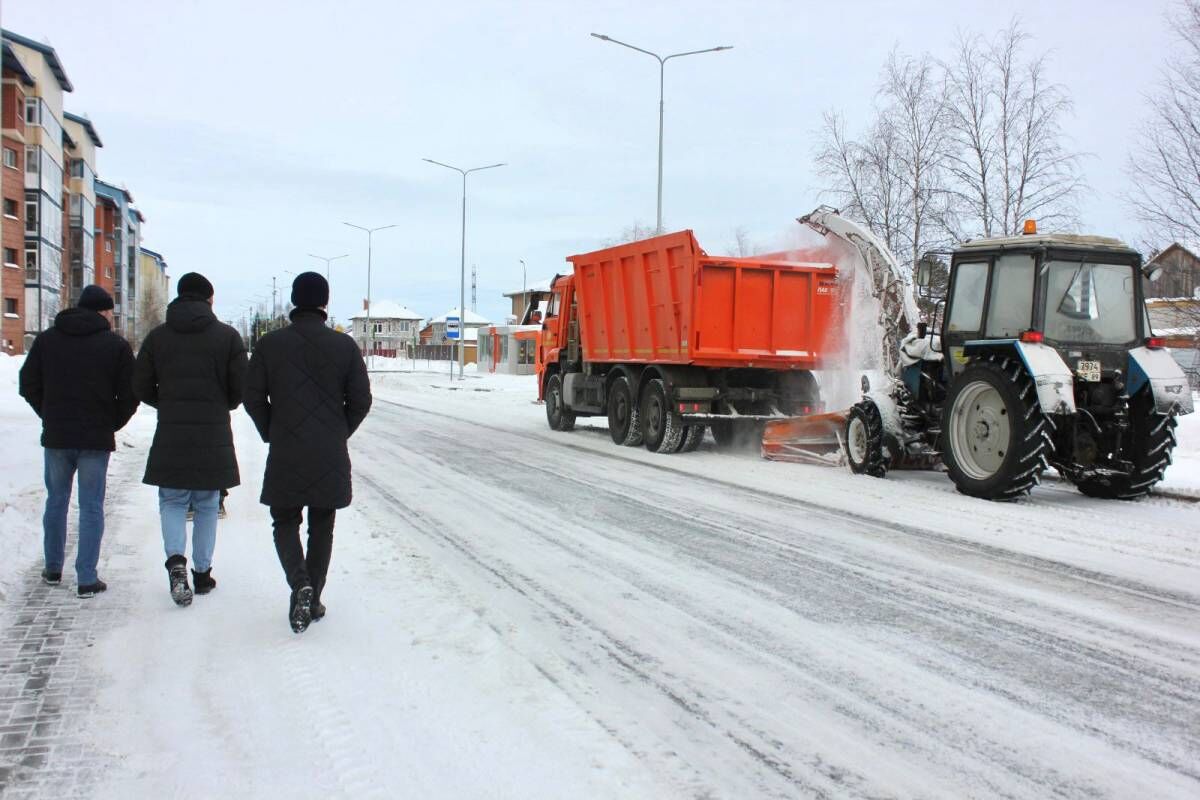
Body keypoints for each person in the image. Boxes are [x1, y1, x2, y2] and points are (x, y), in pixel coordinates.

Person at [244, 272, 372, 633]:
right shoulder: (344, 346)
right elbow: (361, 400)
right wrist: (337, 432)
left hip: (285, 449)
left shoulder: (270, 345)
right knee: (322, 525)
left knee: (284, 520)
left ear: (294, 301)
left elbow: (252, 395)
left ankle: (299, 583)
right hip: (328, 452)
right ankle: (312, 597)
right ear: (324, 304)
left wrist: (272, 430)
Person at [134, 272, 247, 606]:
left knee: (172, 500)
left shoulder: (157, 338)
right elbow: (240, 388)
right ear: (209, 300)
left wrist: (167, 402)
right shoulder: (227, 337)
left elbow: (140, 385)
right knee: (207, 503)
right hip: (212, 431)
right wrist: (219, 403)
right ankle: (201, 573)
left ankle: (175, 563)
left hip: (171, 431)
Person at [18, 285, 138, 597]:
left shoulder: (47, 340)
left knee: (56, 501)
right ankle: (86, 578)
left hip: (57, 437)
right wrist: (111, 422)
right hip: (95, 440)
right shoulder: (116, 346)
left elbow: (28, 383)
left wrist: (48, 413)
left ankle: (53, 568)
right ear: (104, 312)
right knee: (91, 506)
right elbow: (130, 394)